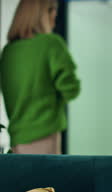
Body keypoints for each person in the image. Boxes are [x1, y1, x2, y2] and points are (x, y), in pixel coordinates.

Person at [0, 0, 80, 154]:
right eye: (52, 9)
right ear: (40, 14)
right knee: (48, 178)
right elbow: (71, 89)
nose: (55, 13)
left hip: (16, 138)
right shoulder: (51, 44)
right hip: (45, 135)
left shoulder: (8, 52)